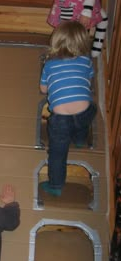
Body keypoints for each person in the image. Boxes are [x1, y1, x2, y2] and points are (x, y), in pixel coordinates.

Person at [39, 20, 97, 196]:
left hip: (60, 119)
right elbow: (89, 81)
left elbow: (43, 90)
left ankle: (56, 186)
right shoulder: (86, 61)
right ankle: (80, 139)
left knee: (57, 153)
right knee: (86, 115)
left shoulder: (49, 65)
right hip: (84, 112)